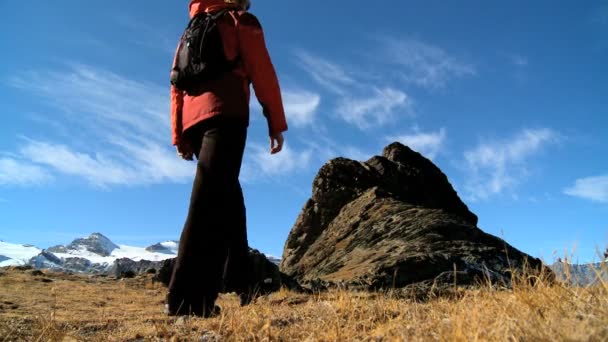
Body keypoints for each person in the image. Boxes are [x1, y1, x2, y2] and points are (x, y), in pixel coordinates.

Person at [166, 0, 288, 317]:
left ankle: (243, 278)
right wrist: (275, 122)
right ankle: (187, 299)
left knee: (226, 193)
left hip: (194, 120)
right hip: (227, 114)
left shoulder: (192, 27)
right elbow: (263, 72)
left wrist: (180, 135)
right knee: (207, 203)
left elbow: (176, 84)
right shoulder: (239, 20)